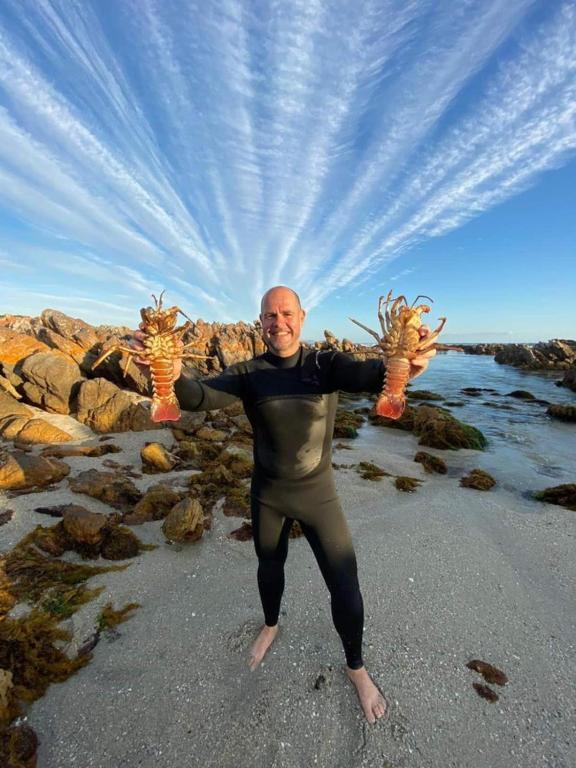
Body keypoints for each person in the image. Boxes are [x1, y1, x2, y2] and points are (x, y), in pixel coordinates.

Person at [134, 285, 435, 724]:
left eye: (287, 313)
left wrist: (409, 365)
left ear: (302, 316)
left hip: (319, 496)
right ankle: (271, 624)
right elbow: (199, 397)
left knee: (345, 585)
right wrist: (173, 373)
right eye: (270, 316)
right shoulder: (248, 372)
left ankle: (356, 667)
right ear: (261, 322)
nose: (279, 322)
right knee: (268, 565)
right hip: (268, 495)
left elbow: (369, 375)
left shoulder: (326, 364)